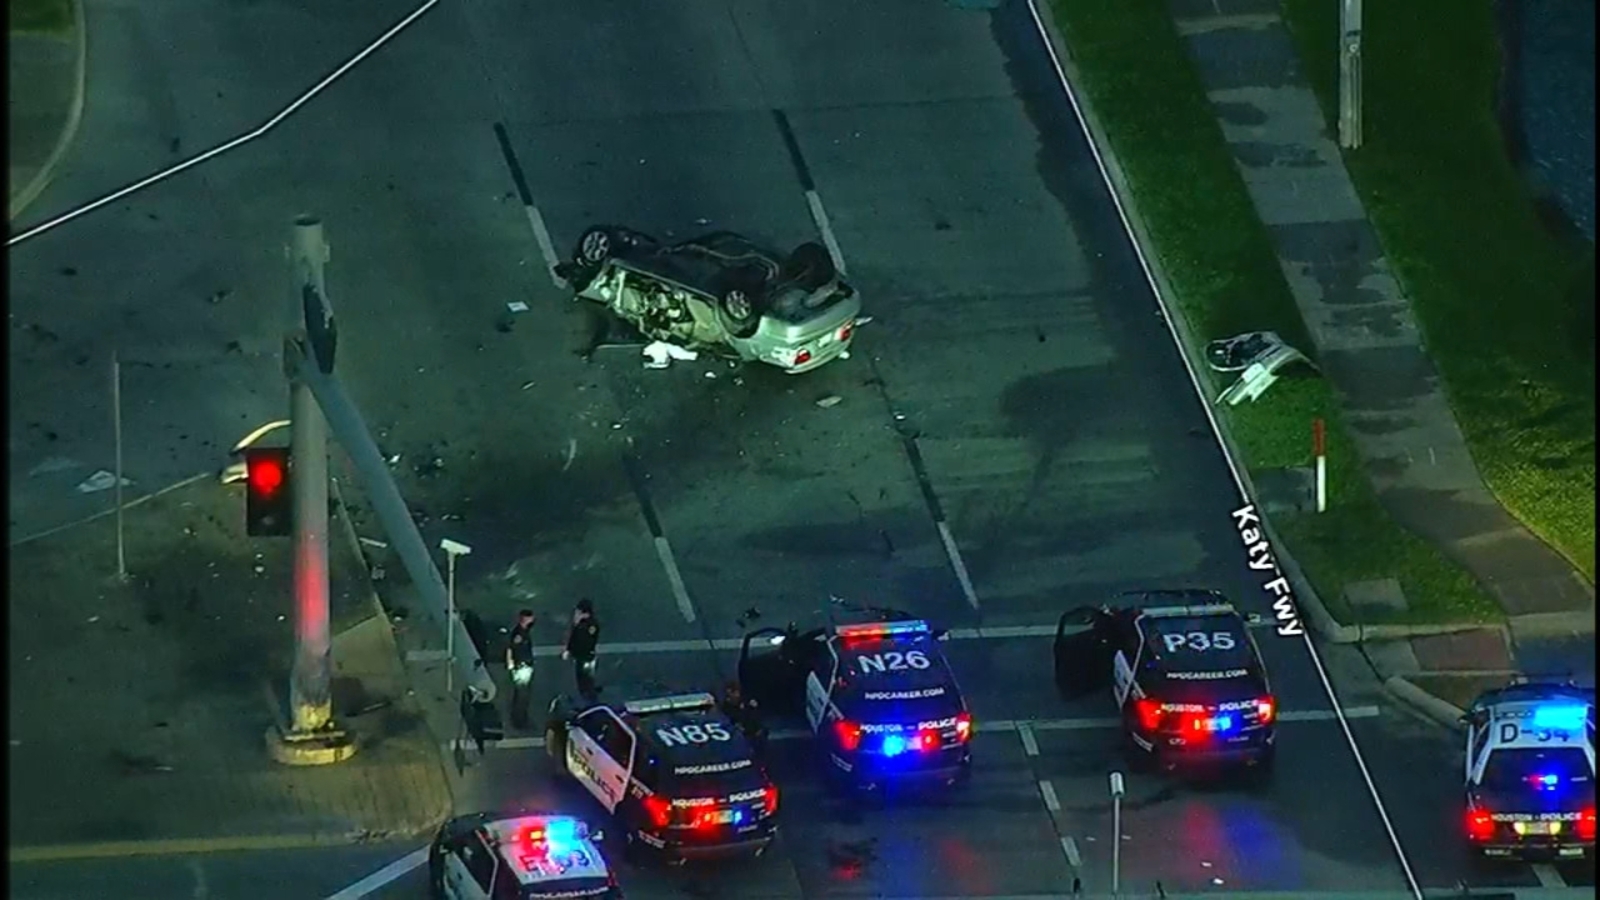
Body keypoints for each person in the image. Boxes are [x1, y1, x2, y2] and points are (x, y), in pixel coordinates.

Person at [563, 599, 601, 700]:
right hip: (580, 657)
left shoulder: (591, 625)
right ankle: (585, 699)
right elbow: (573, 637)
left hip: (586, 657)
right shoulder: (580, 624)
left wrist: (578, 625)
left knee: (587, 682)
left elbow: (584, 641)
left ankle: (590, 701)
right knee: (581, 682)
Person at [505, 609, 537, 729]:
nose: (533, 621)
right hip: (521, 667)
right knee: (522, 695)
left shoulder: (525, 631)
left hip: (525, 666)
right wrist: (511, 663)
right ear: (524, 619)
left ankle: (521, 718)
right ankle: (519, 720)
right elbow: (510, 648)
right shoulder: (519, 634)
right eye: (531, 618)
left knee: (523, 694)